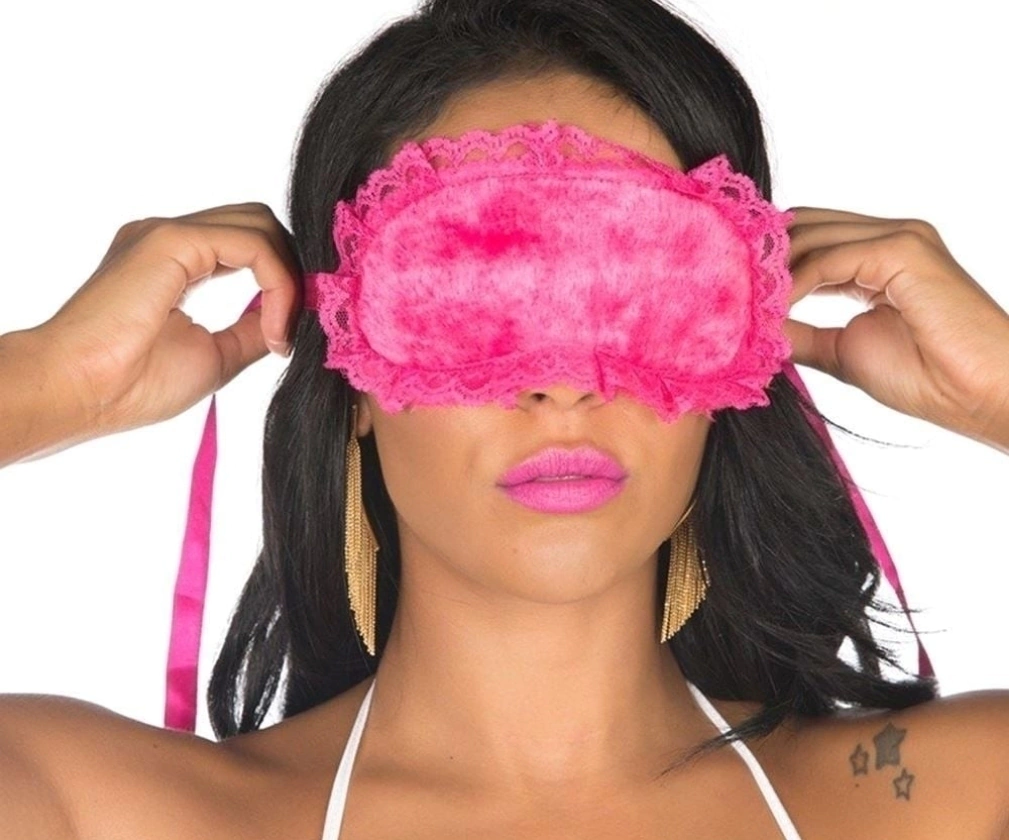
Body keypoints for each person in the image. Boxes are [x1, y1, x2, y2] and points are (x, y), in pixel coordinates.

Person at [3, 1, 1009, 838]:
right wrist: (53, 379)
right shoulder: (88, 806)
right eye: (467, 293)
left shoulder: (951, 801)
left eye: (637, 290)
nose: (562, 387)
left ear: (737, 349)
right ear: (346, 367)